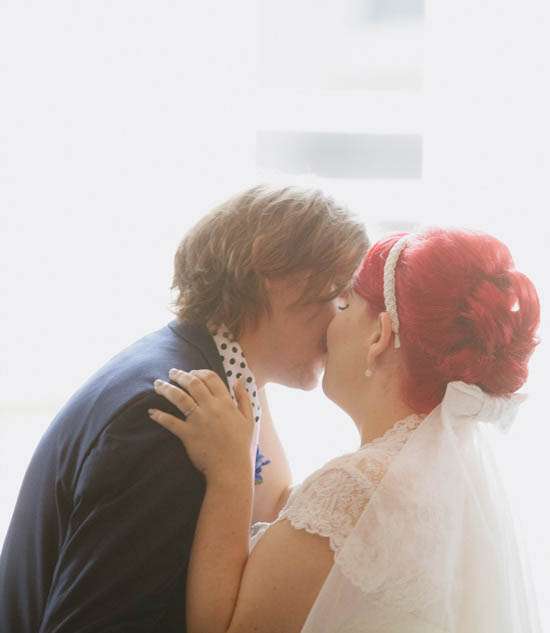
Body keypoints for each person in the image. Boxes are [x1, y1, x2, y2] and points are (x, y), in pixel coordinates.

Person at [0, 185, 368, 632]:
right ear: (274, 274)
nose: (340, 321)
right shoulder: (173, 413)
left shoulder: (226, 378)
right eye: (337, 296)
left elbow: (269, 504)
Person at [149, 229, 543, 632]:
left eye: (345, 304)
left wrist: (229, 475)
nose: (329, 324)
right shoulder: (445, 474)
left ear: (379, 336)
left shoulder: (356, 487)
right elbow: (288, 513)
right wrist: (253, 360)